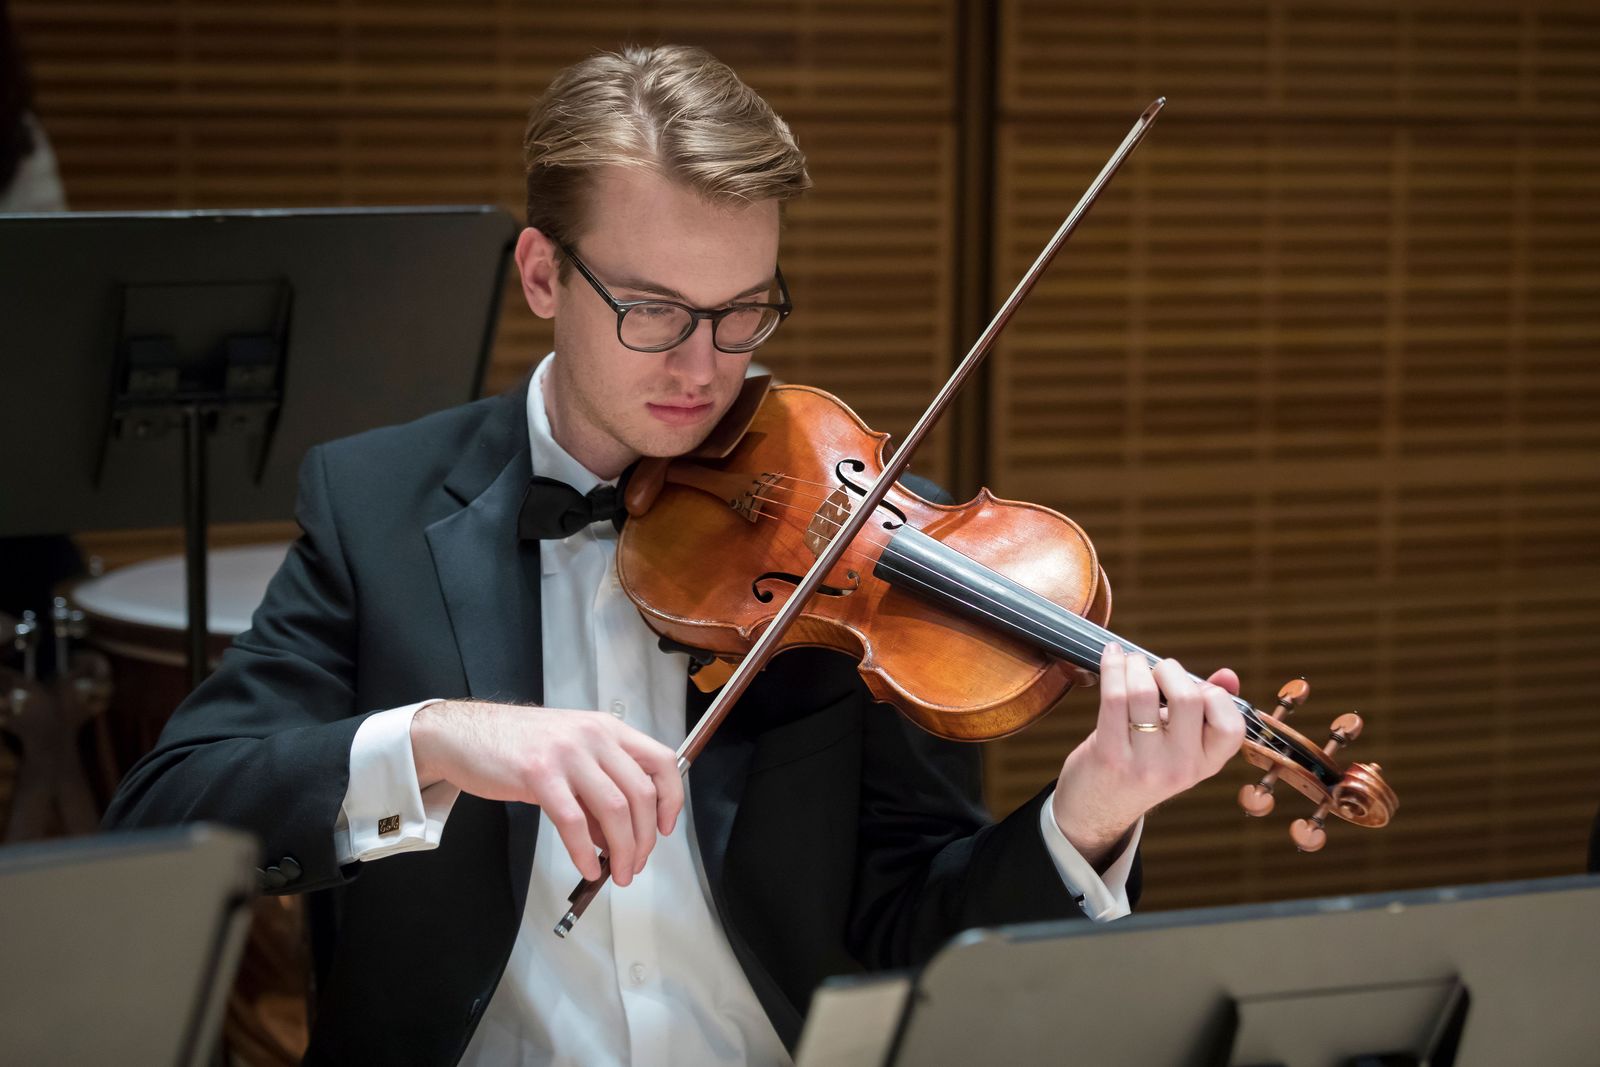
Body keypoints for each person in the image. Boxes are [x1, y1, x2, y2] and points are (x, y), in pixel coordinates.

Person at [106, 45, 1245, 1065]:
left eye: (743, 311)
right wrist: (441, 737)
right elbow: (168, 816)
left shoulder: (862, 547)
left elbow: (918, 936)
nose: (703, 367)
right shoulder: (378, 506)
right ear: (543, 275)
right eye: (652, 311)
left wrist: (1084, 818)